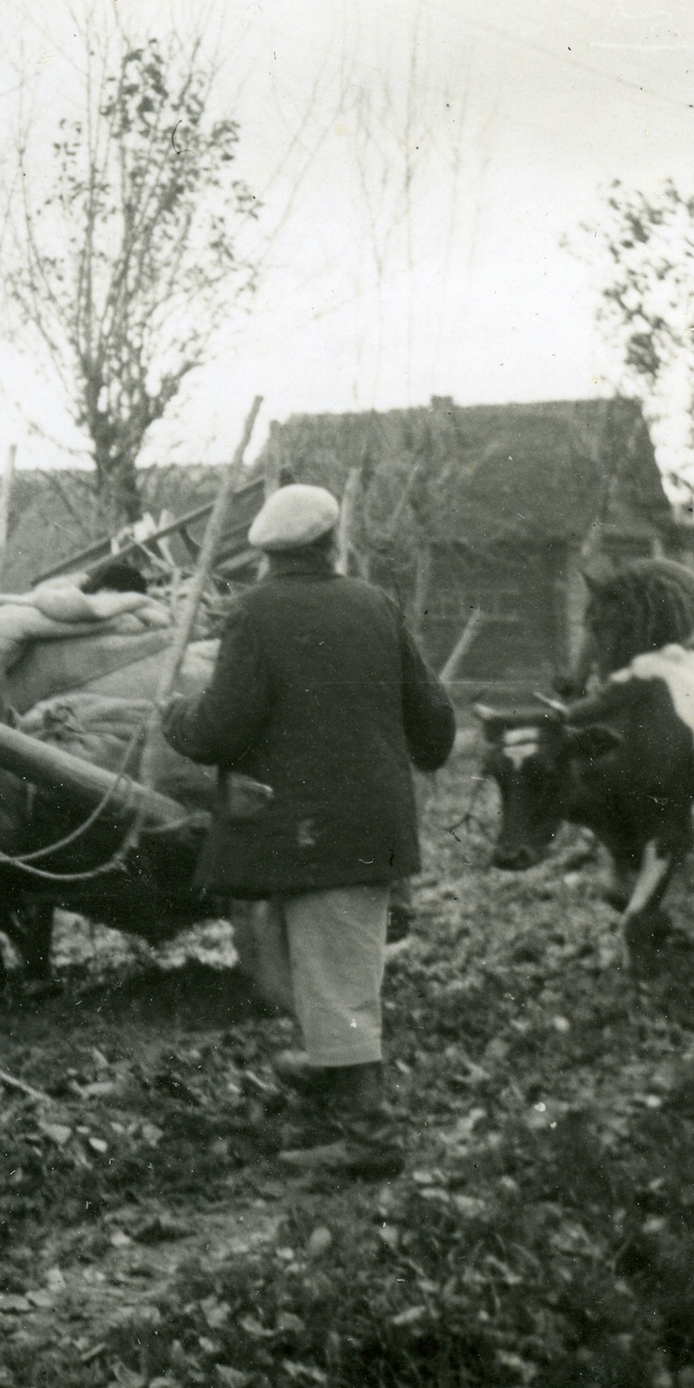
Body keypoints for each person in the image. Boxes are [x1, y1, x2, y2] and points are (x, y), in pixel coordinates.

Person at [160, 483, 455, 1177]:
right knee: (328, 966)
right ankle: (331, 1068)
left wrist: (174, 717)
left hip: (306, 831)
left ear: (266, 554)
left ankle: (369, 1136)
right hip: (369, 825)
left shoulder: (255, 613)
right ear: (333, 546)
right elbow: (436, 729)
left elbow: (218, 727)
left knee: (334, 974)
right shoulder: (377, 605)